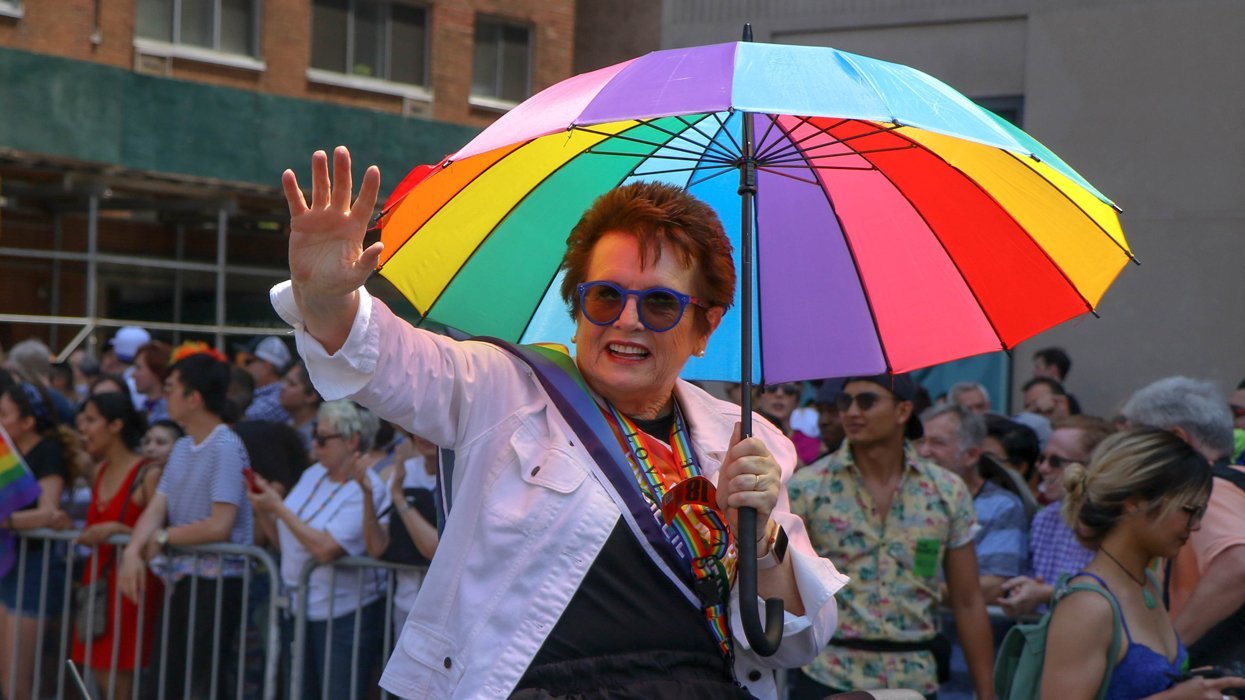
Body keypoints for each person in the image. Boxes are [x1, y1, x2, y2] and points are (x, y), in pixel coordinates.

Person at [273, 147, 847, 699]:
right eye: (604, 297)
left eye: (660, 305)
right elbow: (391, 361)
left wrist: (764, 541)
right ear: (577, 305)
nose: (627, 321)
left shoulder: (744, 445)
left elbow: (793, 644)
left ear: (705, 327)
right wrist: (327, 301)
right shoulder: (503, 389)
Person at [788, 374, 995, 699]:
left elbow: (967, 600)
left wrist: (987, 693)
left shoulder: (946, 490)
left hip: (914, 678)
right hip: (829, 674)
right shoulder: (808, 487)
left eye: (867, 401)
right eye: (845, 402)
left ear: (903, 411)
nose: (852, 412)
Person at [1041, 429, 1245, 699]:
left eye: (1200, 513)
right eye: (1188, 511)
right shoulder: (1088, 606)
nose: (1195, 527)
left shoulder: (1145, 581)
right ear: (1134, 503)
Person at [117, 348, 254, 699]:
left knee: (202, 684)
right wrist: (133, 550)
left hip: (217, 583)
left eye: (171, 388)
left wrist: (162, 537)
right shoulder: (181, 447)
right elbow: (156, 507)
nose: (166, 396)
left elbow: (219, 525)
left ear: (193, 398)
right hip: (183, 577)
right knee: (167, 680)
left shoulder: (225, 445)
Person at [248, 399, 387, 700]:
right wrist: (263, 508)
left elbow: (325, 550)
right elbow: (283, 541)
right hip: (299, 608)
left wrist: (279, 509)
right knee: (299, 692)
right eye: (314, 434)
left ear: (352, 441)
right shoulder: (313, 474)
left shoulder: (368, 488)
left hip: (343, 614)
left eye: (323, 438)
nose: (315, 443)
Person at [1120, 376, 1245, 667]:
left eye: (1136, 443)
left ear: (1177, 439)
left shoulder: (1210, 490)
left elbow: (1239, 565)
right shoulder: (1234, 482)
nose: (1130, 457)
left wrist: (1170, 647)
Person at [71, 392, 163, 700]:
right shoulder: (98, 471)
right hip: (98, 586)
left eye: (91, 420)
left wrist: (118, 530)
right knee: (100, 679)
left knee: (121, 685)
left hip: (130, 588)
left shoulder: (148, 474)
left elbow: (161, 537)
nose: (83, 428)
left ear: (116, 425)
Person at [0, 383, 75, 700]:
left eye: (4, 415)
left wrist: (7, 522)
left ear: (28, 422)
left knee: (18, 684)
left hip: (33, 569)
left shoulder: (48, 452)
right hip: (9, 565)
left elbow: (49, 512)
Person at [1000, 415, 1112, 617]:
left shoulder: (1117, 523)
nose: (1042, 468)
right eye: (1043, 458)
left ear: (1094, 466)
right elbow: (1034, 581)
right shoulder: (1045, 518)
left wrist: (1046, 594)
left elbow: (1113, 595)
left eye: (1056, 461)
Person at [920, 404, 1028, 603]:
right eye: (922, 441)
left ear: (971, 455)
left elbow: (995, 586)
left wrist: (914, 593)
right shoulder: (914, 500)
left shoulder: (1002, 506)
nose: (924, 451)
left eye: (937, 443)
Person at [359, 426, 440, 638]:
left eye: (433, 425)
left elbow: (434, 550)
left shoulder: (461, 474)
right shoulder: (405, 470)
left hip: (442, 610)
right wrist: (367, 496)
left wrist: (399, 497)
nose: (425, 433)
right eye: (418, 426)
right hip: (404, 604)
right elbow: (377, 548)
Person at [757, 383, 822, 464]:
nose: (779, 394)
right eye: (772, 388)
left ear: (797, 402)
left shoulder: (811, 446)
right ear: (759, 398)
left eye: (789, 390)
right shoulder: (747, 436)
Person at [243, 337, 293, 423]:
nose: (246, 367)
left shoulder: (278, 397)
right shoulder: (262, 393)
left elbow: (244, 418)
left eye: (249, 361)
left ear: (267, 365)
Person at [279, 360, 322, 457]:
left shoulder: (318, 434)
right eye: (284, 380)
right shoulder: (288, 423)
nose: (283, 387)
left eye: (292, 384)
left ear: (311, 396)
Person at [132, 340, 172, 423]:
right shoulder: (142, 406)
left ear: (156, 371)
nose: (133, 374)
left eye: (138, 368)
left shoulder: (171, 411)